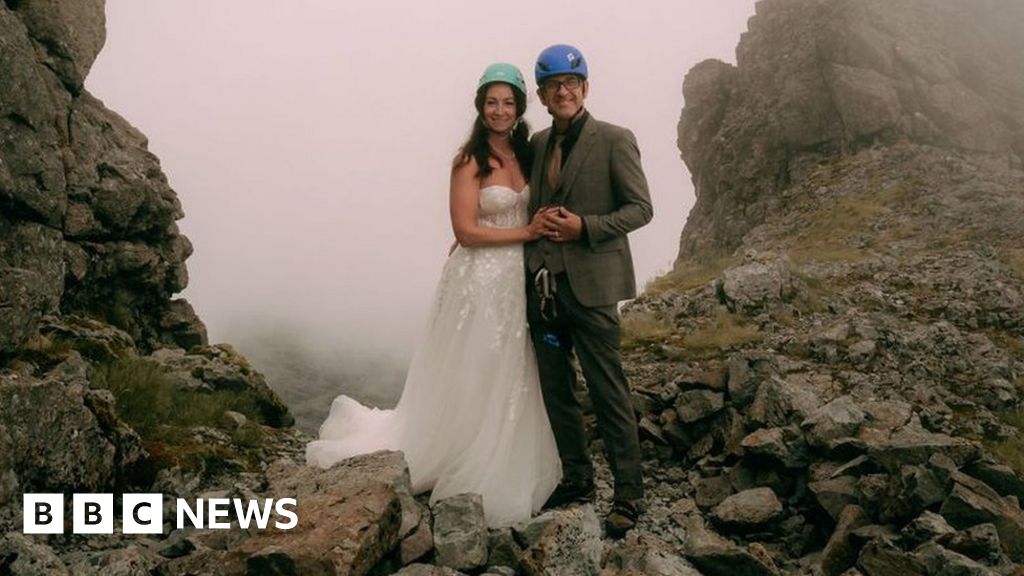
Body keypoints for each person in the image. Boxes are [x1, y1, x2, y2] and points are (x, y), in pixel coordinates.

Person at [306, 63, 561, 527]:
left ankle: (506, 454)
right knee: (474, 363)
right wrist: (524, 230)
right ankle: (459, 452)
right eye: (491, 102)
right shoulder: (469, 161)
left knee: (510, 367)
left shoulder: (530, 152)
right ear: (480, 108)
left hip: (516, 276)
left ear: (520, 107)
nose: (499, 110)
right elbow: (465, 231)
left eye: (508, 102)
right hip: (479, 277)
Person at [525, 44, 653, 538]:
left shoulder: (615, 139)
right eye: (554, 85)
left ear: (585, 88)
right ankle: (577, 480)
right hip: (545, 291)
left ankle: (629, 495)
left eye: (571, 83)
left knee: (607, 390)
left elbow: (641, 208)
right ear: (542, 94)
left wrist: (585, 226)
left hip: (594, 290)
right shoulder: (536, 144)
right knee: (557, 391)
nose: (563, 91)